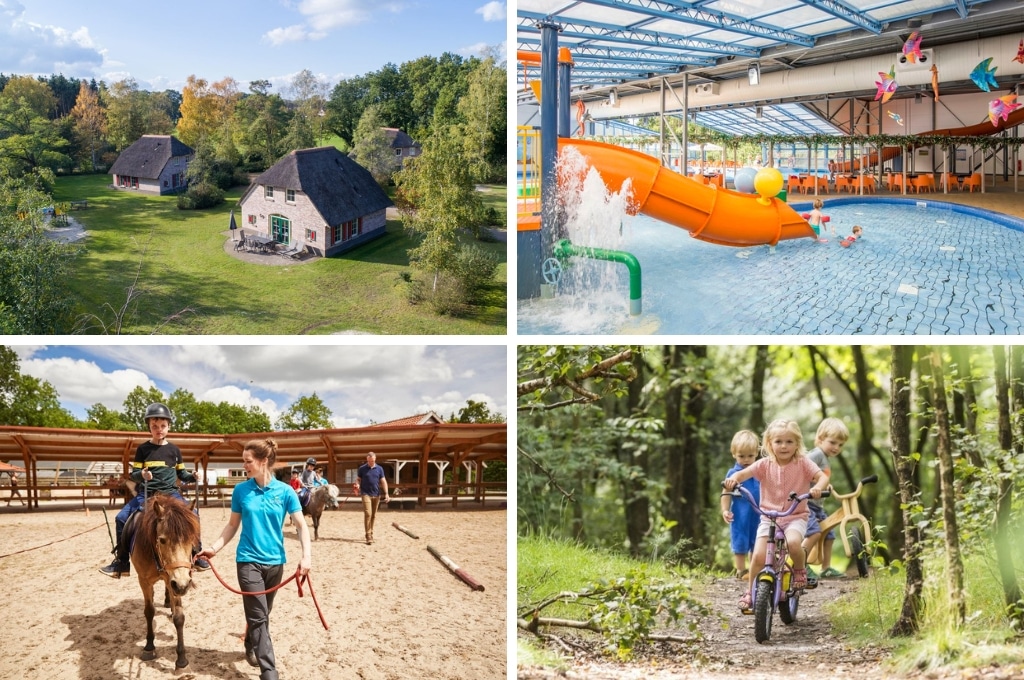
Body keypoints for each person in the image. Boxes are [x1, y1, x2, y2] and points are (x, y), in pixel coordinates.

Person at [198, 439, 311, 680]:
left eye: (248, 462)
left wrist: (306, 557)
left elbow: (301, 526)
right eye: (244, 461)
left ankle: (250, 642)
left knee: (261, 614)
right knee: (259, 617)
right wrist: (213, 548)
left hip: (276, 563)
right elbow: (232, 525)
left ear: (263, 461)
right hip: (248, 561)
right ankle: (269, 672)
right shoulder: (241, 490)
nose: (244, 465)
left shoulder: (285, 491)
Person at [723, 419, 829, 612]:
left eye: (789, 442)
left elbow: (822, 476)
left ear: (797, 443)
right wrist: (732, 480)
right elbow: (742, 474)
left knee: (794, 543)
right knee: (757, 556)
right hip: (769, 517)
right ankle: (749, 592)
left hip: (795, 516)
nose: (784, 446)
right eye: (778, 441)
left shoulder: (803, 463)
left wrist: (818, 489)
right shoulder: (764, 465)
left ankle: (799, 571)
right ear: (769, 443)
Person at [99, 403, 210, 577]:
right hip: (147, 494)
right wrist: (142, 474)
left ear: (169, 427)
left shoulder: (175, 450)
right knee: (121, 518)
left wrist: (193, 476)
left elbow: (182, 473)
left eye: (162, 426)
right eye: (154, 426)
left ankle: (197, 555)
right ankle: (122, 562)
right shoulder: (143, 449)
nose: (159, 429)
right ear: (149, 427)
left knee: (193, 514)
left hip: (171, 493)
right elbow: (134, 474)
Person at [802, 417, 850, 582]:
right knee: (813, 532)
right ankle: (801, 565)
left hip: (817, 506)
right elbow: (802, 468)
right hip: (806, 503)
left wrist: (825, 485)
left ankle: (826, 568)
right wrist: (814, 483)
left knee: (829, 533)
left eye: (840, 445)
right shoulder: (816, 454)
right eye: (833, 442)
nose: (836, 448)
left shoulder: (824, 457)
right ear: (820, 439)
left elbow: (820, 476)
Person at [720, 430, 761, 580]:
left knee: (757, 542)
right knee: (740, 540)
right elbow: (726, 492)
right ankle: (741, 570)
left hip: (759, 514)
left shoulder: (760, 470)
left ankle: (754, 570)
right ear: (734, 454)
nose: (746, 460)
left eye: (750, 456)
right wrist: (725, 510)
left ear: (756, 453)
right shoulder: (733, 473)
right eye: (741, 456)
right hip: (740, 514)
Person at [354, 452, 390, 545]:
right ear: (367, 460)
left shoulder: (379, 469)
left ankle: (371, 532)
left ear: (375, 459)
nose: (371, 462)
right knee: (368, 514)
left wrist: (386, 493)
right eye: (369, 461)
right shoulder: (362, 469)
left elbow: (383, 481)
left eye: (372, 461)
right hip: (365, 493)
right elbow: (358, 478)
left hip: (376, 494)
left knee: (373, 515)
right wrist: (357, 484)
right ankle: (368, 535)